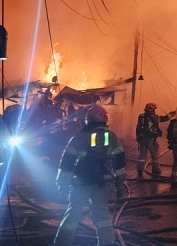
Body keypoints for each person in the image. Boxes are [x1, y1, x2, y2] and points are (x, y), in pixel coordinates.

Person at [54, 105, 126, 246]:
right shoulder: (111, 136)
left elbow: (67, 162)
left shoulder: (79, 137)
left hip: (81, 182)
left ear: (88, 119)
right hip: (102, 183)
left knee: (73, 213)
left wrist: (61, 183)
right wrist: (119, 183)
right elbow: (119, 160)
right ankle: (106, 243)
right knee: (102, 214)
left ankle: (61, 242)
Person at [135, 102, 176, 178]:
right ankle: (156, 170)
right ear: (151, 109)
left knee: (142, 155)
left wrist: (138, 137)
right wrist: (173, 113)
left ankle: (140, 170)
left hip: (142, 139)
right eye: (154, 109)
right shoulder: (154, 117)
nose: (154, 111)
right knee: (155, 155)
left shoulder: (141, 116)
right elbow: (164, 118)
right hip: (151, 139)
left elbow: (138, 127)